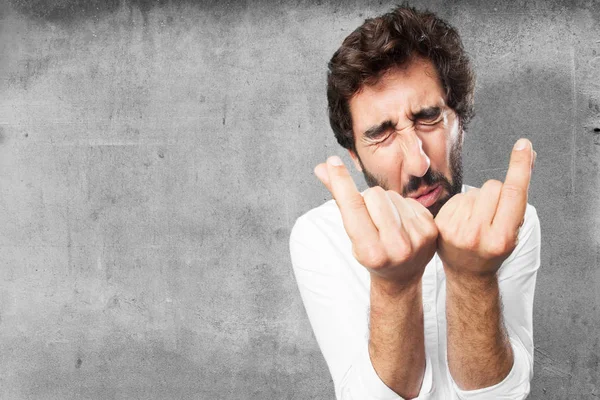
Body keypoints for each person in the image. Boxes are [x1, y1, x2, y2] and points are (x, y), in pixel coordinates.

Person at [289, 4, 540, 400]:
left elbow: (502, 396)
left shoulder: (511, 221)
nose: (419, 163)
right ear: (354, 155)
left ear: (460, 120)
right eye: (381, 134)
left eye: (427, 117)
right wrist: (393, 285)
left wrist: (474, 278)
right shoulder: (319, 235)